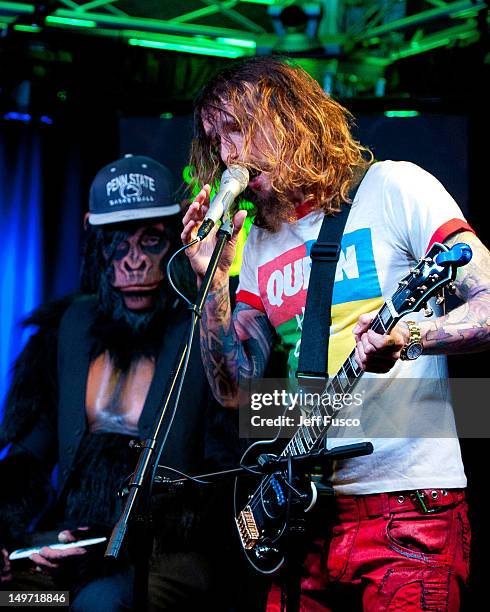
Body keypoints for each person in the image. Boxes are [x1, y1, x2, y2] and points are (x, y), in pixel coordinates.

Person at [181, 57, 490, 611]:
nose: (230, 154)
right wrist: (214, 280)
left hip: (407, 508)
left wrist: (412, 336)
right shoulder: (254, 244)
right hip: (308, 512)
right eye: (217, 138)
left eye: (240, 128)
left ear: (294, 119)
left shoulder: (395, 188)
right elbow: (233, 388)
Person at [0, 154, 242, 610]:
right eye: (118, 244)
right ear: (97, 247)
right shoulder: (69, 328)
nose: (134, 263)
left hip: (164, 555)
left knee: (99, 605)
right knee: (20, 599)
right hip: (66, 551)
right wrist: (13, 538)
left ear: (175, 239)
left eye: (151, 241)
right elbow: (30, 455)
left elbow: (226, 476)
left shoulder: (207, 331)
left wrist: (108, 540)